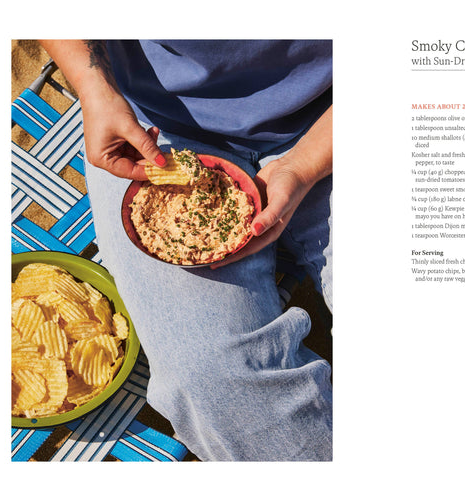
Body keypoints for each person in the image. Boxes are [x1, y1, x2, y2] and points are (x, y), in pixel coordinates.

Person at [39, 40, 333, 461]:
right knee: (211, 383)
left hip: (329, 113)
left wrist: (302, 166)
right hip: (151, 131)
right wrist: (92, 83)